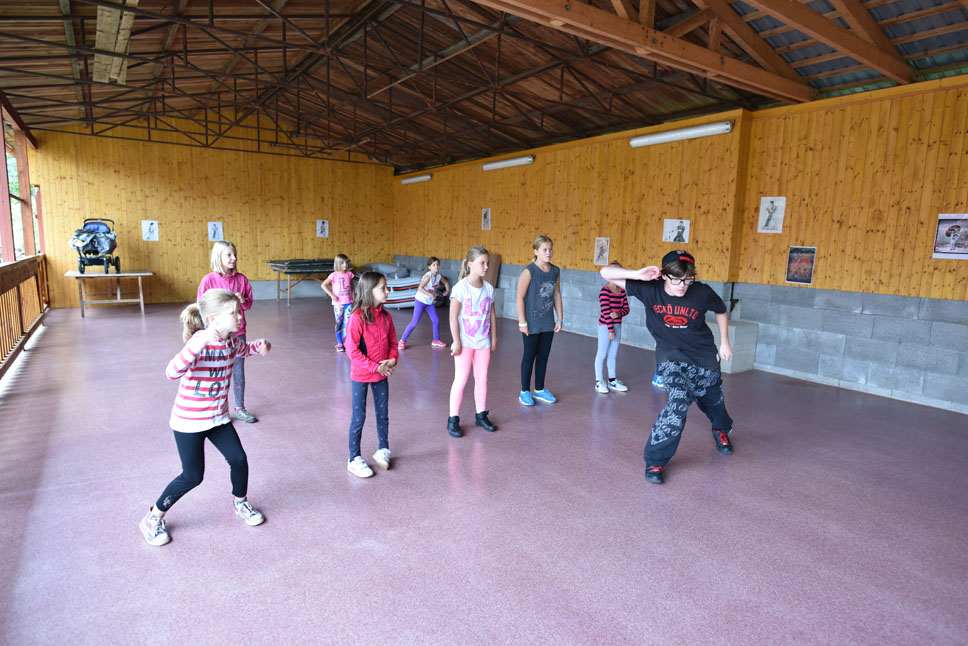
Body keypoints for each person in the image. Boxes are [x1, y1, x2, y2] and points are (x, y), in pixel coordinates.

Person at [139, 289, 271, 546]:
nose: (240, 317)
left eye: (239, 311)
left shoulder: (231, 341)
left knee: (239, 459)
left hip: (217, 418)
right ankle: (153, 517)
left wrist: (261, 344)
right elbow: (171, 372)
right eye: (233, 313)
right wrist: (196, 346)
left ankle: (241, 502)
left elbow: (244, 349)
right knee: (192, 476)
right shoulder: (200, 341)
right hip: (189, 421)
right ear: (213, 318)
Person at [600, 250, 734, 485]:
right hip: (670, 357)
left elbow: (721, 310)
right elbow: (605, 272)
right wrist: (637, 274)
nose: (682, 286)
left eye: (687, 280)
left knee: (713, 400)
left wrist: (725, 341)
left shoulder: (701, 292)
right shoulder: (649, 289)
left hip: (703, 356)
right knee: (678, 402)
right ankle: (655, 460)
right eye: (676, 279)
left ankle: (721, 429)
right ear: (663, 275)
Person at [345, 272, 398, 478]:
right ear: (369, 291)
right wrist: (375, 367)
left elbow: (393, 343)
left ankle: (383, 448)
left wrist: (392, 360)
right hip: (362, 375)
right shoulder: (357, 318)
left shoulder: (386, 317)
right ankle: (354, 458)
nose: (387, 291)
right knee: (359, 416)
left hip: (381, 374)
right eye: (383, 288)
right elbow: (352, 351)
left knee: (383, 413)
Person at [198, 240, 258, 423]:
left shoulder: (242, 279)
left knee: (238, 370)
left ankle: (240, 408)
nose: (233, 258)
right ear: (219, 257)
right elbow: (202, 306)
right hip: (216, 334)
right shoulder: (209, 280)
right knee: (216, 371)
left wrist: (242, 301)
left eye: (235, 255)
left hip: (238, 332)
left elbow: (248, 304)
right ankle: (215, 409)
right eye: (229, 255)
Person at [447, 247, 498, 438]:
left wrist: (494, 337)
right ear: (470, 265)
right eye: (482, 263)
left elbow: (492, 315)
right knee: (461, 379)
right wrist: (456, 341)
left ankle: (481, 415)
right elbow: (453, 317)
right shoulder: (461, 288)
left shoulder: (489, 288)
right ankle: (453, 419)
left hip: (482, 341)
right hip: (465, 342)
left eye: (487, 263)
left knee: (482, 378)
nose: (486, 267)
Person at [516, 235, 562, 406]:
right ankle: (524, 391)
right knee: (529, 356)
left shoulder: (555, 271)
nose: (548, 252)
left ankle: (540, 389)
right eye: (544, 250)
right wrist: (522, 322)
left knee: (543, 356)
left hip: (547, 322)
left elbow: (556, 294)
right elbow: (519, 297)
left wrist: (560, 318)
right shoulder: (529, 272)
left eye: (550, 249)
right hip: (531, 323)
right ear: (535, 251)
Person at [398, 256, 450, 350]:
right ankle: (402, 341)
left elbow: (446, 282)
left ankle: (436, 340)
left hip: (429, 303)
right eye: (433, 265)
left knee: (436, 320)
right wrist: (430, 295)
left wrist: (447, 290)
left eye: (437, 264)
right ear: (429, 267)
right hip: (420, 301)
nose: (436, 266)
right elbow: (420, 288)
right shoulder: (427, 277)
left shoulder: (439, 276)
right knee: (414, 322)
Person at [594, 261, 630, 394]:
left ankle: (612, 380)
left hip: (617, 325)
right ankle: (599, 381)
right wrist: (610, 330)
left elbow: (626, 309)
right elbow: (605, 312)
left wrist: (618, 314)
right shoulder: (604, 291)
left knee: (613, 354)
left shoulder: (622, 291)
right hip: (605, 326)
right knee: (602, 353)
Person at [321, 254, 355, 353]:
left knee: (348, 323)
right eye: (342, 263)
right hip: (338, 304)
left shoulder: (349, 274)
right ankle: (340, 343)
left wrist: (353, 293)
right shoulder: (333, 275)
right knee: (339, 322)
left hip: (348, 303)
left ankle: (346, 342)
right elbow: (323, 285)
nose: (345, 265)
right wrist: (331, 295)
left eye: (346, 262)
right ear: (337, 264)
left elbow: (351, 283)